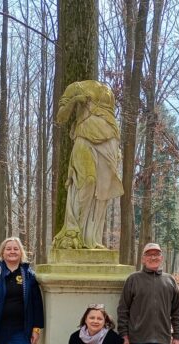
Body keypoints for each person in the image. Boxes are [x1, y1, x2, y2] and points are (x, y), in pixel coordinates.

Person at [52, 80, 124, 249]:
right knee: (87, 181)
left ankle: (92, 239)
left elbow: (111, 117)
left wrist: (117, 148)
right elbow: (61, 117)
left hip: (110, 143)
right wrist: (75, 100)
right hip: (84, 138)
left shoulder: (107, 91)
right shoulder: (75, 87)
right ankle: (73, 231)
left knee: (103, 192)